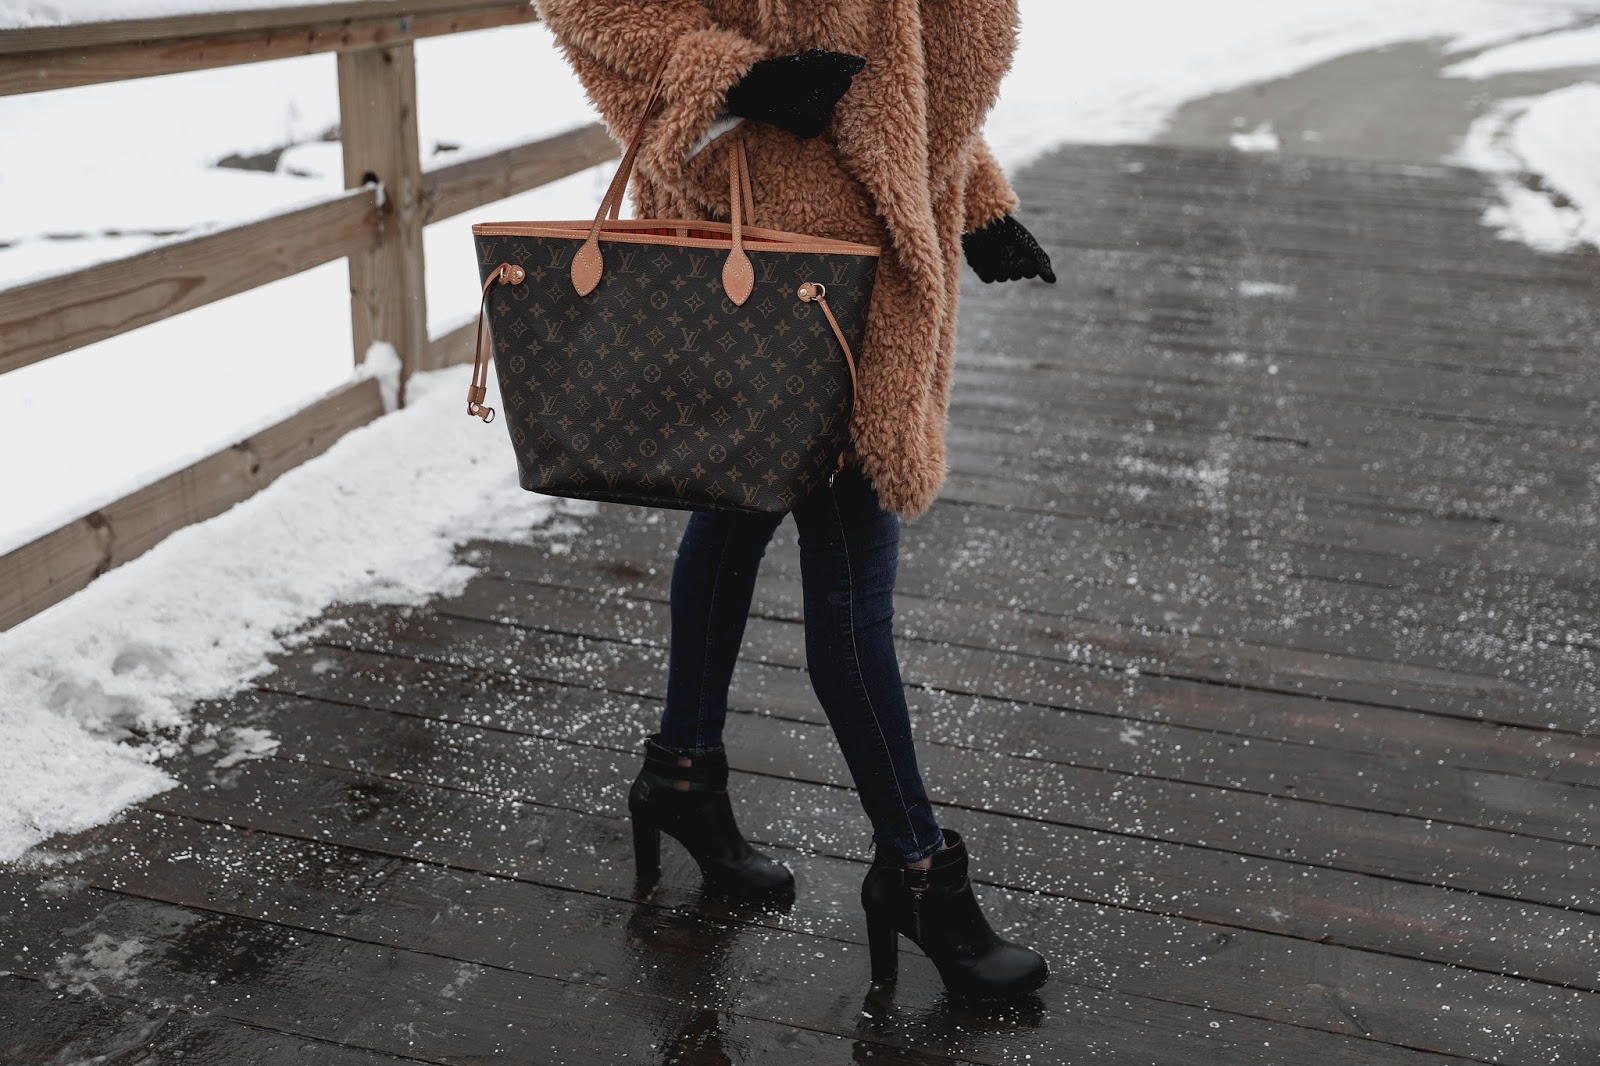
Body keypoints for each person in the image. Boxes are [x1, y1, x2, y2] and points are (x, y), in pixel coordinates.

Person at [536, 0, 1054, 1000]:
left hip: (854, 252)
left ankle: (682, 778)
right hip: (783, 256)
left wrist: (979, 201)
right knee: (852, 593)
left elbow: (894, 70)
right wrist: (730, 79)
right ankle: (916, 872)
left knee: (739, 506)